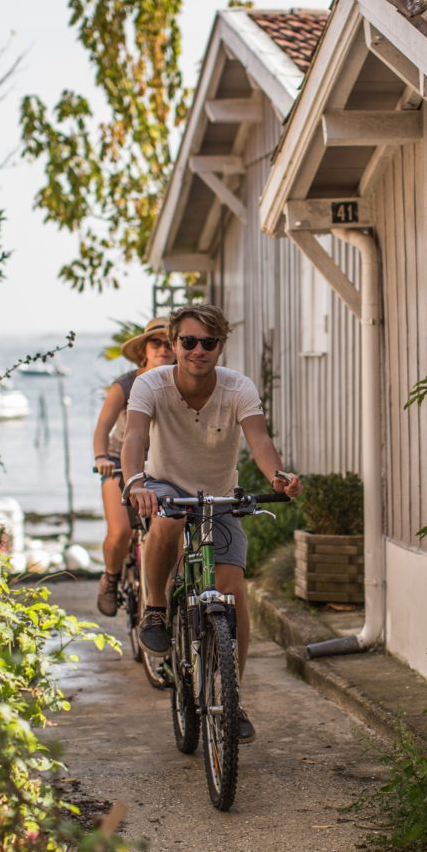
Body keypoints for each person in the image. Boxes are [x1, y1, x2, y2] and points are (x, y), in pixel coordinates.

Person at [121, 303, 301, 743]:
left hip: (217, 495)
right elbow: (135, 436)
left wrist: (277, 476)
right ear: (174, 343)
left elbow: (259, 440)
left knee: (233, 592)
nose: (198, 350)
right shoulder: (150, 385)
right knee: (165, 517)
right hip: (164, 485)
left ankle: (231, 698)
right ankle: (157, 611)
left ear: (220, 346)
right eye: (188, 342)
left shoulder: (238, 388)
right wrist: (135, 482)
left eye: (208, 342)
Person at [93, 317, 174, 616]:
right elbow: (103, 426)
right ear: (144, 349)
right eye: (156, 343)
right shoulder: (126, 384)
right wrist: (101, 457)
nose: (163, 348)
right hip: (118, 463)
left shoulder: (181, 383)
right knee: (121, 532)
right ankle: (111, 578)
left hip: (161, 464)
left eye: (169, 343)